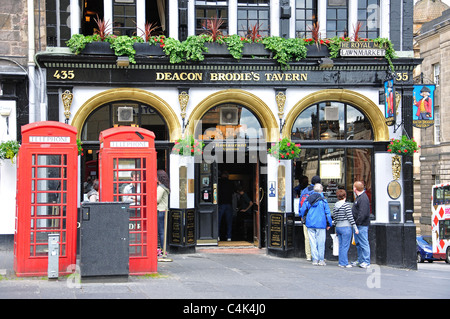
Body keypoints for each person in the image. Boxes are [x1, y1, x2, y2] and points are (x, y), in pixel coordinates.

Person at [299, 183, 332, 266]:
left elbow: (303, 210)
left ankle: (315, 259)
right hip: (321, 223)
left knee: (312, 241)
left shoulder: (308, 199)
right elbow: (327, 213)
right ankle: (321, 260)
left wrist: (303, 217)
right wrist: (329, 224)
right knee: (321, 242)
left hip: (310, 223)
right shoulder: (323, 200)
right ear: (321, 190)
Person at [332, 189, 359, 268]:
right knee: (345, 246)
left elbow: (335, 218)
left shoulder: (335, 205)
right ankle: (345, 263)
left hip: (338, 227)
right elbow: (350, 218)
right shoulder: (346, 205)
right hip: (346, 227)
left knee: (341, 245)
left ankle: (341, 262)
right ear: (345, 196)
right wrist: (355, 228)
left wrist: (335, 229)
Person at [299, 175, 321, 261]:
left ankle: (308, 255)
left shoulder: (305, 191)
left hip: (307, 217)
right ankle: (317, 255)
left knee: (307, 237)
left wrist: (301, 215)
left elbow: (301, 204)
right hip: (318, 218)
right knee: (318, 236)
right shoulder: (319, 191)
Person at [351, 181, 371, 268]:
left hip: (361, 225)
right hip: (358, 225)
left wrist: (357, 223)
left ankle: (366, 261)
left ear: (355, 188)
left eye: (353, 187)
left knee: (364, 243)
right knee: (359, 244)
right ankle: (360, 260)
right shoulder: (360, 197)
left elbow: (363, 213)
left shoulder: (363, 198)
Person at [157, 170, 170, 255]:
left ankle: (162, 250)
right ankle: (163, 249)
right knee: (162, 232)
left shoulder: (160, 188)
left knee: (161, 232)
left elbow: (156, 200)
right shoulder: (165, 187)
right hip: (164, 210)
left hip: (160, 210)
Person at [218, 171, 234, 241]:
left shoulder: (218, 182)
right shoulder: (231, 183)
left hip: (221, 204)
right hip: (229, 204)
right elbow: (233, 192)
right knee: (229, 221)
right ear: (227, 176)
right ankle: (229, 237)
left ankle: (217, 236)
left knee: (218, 221)